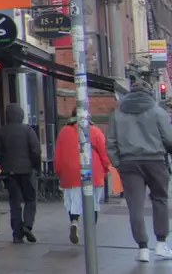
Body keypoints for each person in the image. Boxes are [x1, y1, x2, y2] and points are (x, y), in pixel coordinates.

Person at [105, 81, 172, 263]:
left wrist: (118, 163)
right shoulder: (158, 112)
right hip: (155, 161)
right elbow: (168, 139)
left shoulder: (118, 114)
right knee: (160, 200)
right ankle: (161, 244)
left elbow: (110, 142)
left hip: (129, 163)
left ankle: (142, 248)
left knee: (135, 206)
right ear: (149, 92)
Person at [55, 108, 110, 246]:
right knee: (93, 203)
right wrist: (106, 167)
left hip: (71, 172)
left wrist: (59, 171)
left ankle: (74, 222)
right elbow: (104, 153)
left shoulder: (64, 131)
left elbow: (58, 155)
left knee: (74, 200)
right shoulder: (95, 131)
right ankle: (91, 230)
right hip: (93, 171)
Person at [0, 103, 42, 244]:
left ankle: (16, 234)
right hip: (26, 171)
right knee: (30, 199)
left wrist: (3, 167)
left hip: (9, 172)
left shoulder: (1, 132)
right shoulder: (28, 131)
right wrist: (36, 167)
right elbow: (36, 151)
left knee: (14, 203)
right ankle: (27, 225)